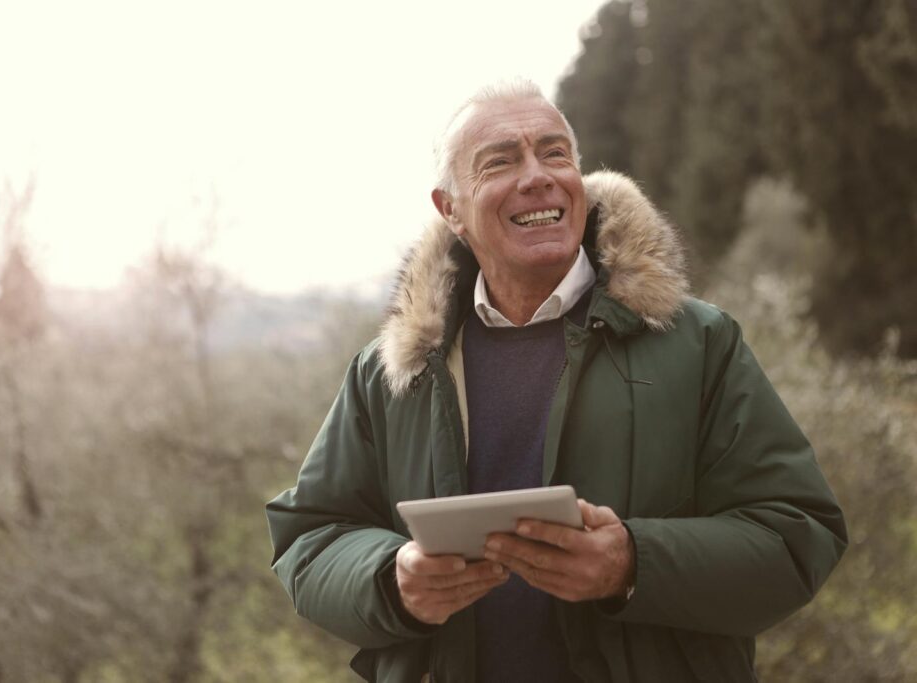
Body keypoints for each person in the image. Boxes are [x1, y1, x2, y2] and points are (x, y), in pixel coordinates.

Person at [265, 79, 847, 682]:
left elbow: (797, 534)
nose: (537, 175)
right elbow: (309, 537)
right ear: (451, 209)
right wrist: (390, 580)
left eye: (555, 153)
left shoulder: (698, 343)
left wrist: (632, 562)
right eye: (501, 161)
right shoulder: (390, 373)